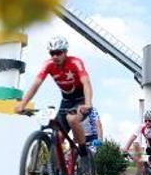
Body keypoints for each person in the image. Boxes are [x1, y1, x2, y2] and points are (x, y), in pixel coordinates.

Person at [16, 35, 94, 165]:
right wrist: (22, 104)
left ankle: (83, 153)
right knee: (57, 138)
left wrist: (88, 103)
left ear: (65, 52)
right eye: (52, 53)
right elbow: (36, 84)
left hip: (80, 100)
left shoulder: (75, 62)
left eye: (58, 53)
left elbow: (86, 82)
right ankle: (56, 174)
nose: (55, 57)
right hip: (66, 101)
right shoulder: (48, 65)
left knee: (72, 119)